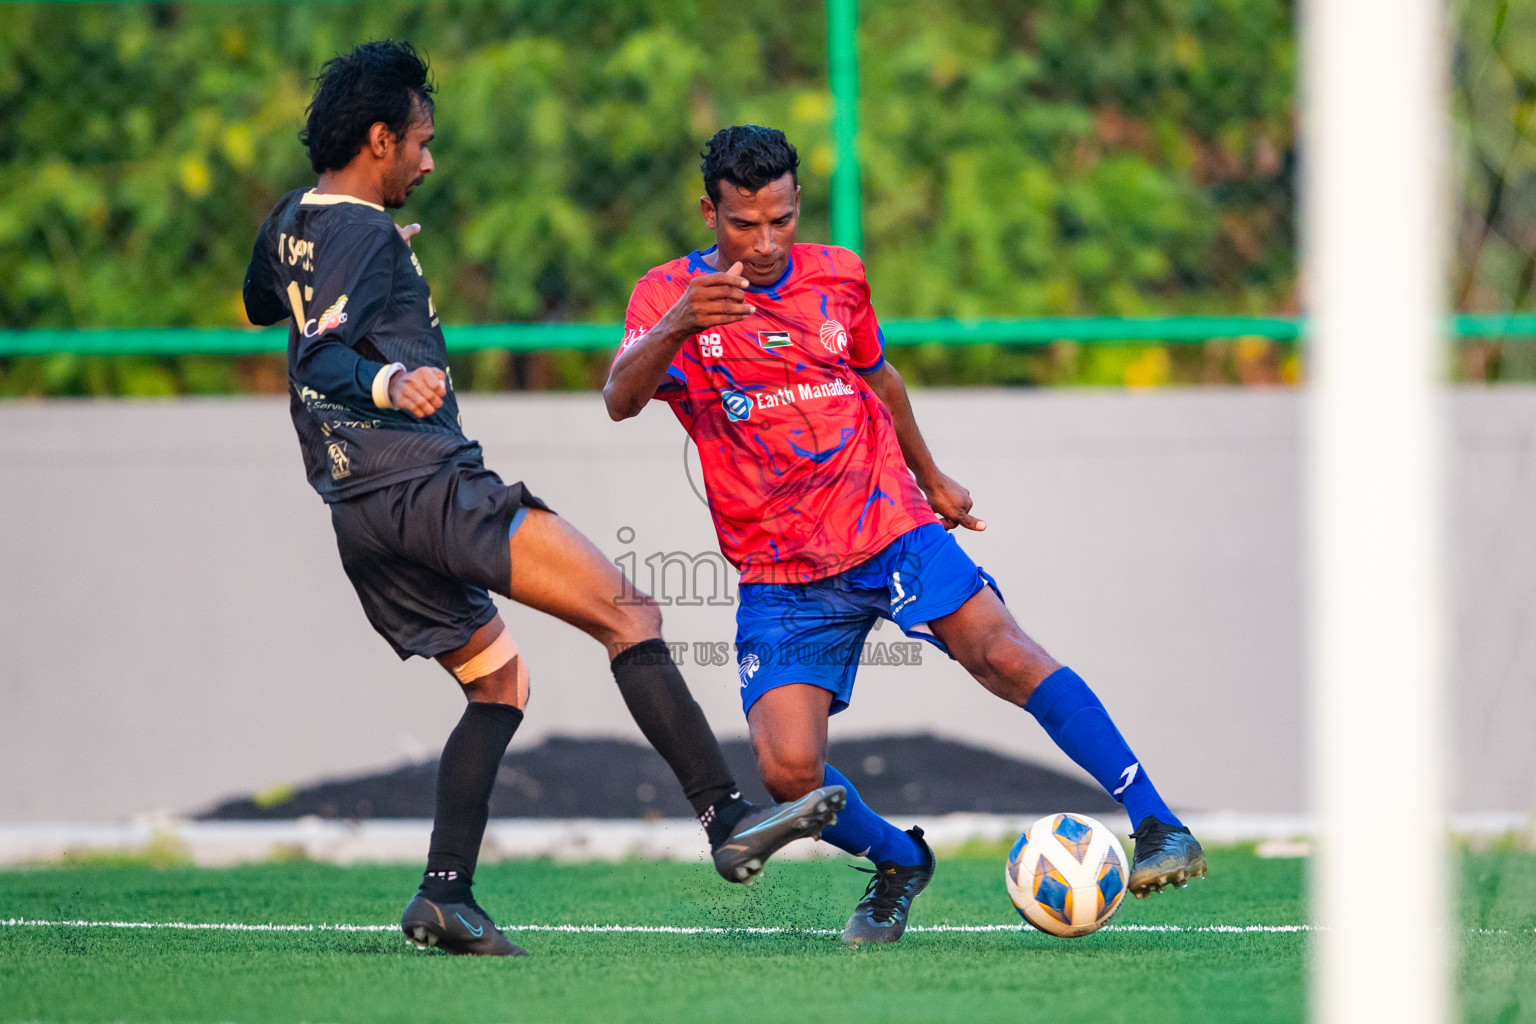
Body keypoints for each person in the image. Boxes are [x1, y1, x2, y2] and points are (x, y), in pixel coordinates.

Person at [242, 47, 844, 958]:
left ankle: (444, 895)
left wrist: (373, 279)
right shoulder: (363, 232)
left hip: (356, 511)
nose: (428, 161)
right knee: (629, 613)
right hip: (424, 483)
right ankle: (725, 818)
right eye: (420, 142)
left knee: (499, 683)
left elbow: (266, 305)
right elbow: (324, 358)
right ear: (379, 139)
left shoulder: (294, 220)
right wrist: (392, 372)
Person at [605, 124, 1207, 945]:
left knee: (1003, 651)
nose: (766, 241)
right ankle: (898, 861)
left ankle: (1157, 823)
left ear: (797, 205)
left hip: (885, 522)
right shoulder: (666, 295)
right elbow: (619, 397)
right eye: (744, 225)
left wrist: (932, 477)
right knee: (787, 772)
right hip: (780, 572)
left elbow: (877, 374)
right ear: (709, 213)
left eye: (780, 220)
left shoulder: (837, 276)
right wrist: (679, 322)